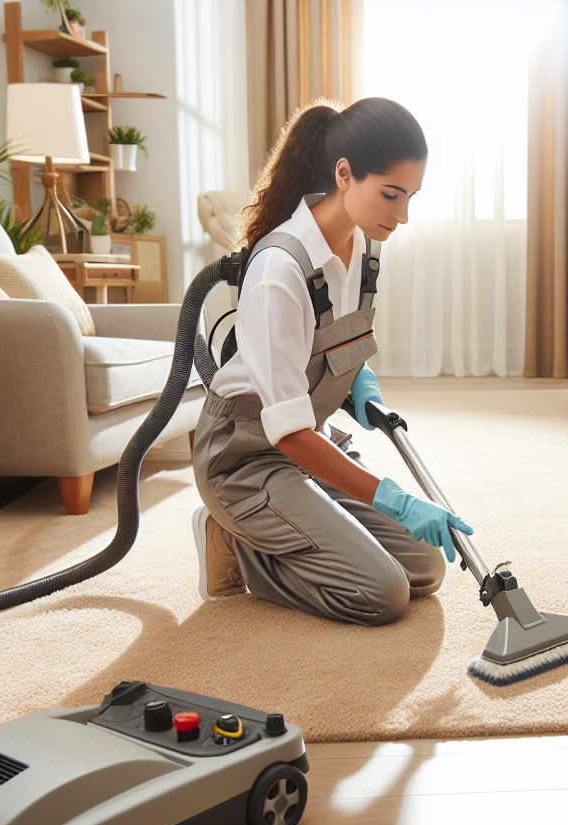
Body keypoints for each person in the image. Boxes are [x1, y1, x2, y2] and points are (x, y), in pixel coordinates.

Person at [191, 97, 472, 625]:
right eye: (391, 194)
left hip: (304, 449)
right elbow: (289, 432)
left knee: (423, 569)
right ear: (344, 174)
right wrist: (394, 499)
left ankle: (303, 520)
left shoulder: (364, 247)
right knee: (381, 594)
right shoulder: (279, 268)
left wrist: (359, 383)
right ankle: (233, 537)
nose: (403, 215)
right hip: (245, 460)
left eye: (411, 196)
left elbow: (333, 339)